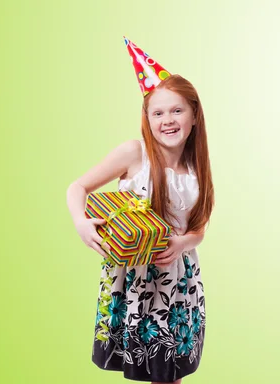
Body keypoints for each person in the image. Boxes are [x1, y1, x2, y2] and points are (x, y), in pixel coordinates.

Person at [66, 37, 214, 383]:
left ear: (194, 115)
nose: (168, 120)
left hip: (179, 280)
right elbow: (78, 188)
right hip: (135, 279)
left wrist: (183, 243)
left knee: (170, 371)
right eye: (158, 112)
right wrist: (81, 223)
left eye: (177, 110)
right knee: (153, 370)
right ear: (146, 118)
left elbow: (200, 226)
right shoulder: (135, 154)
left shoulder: (196, 166)